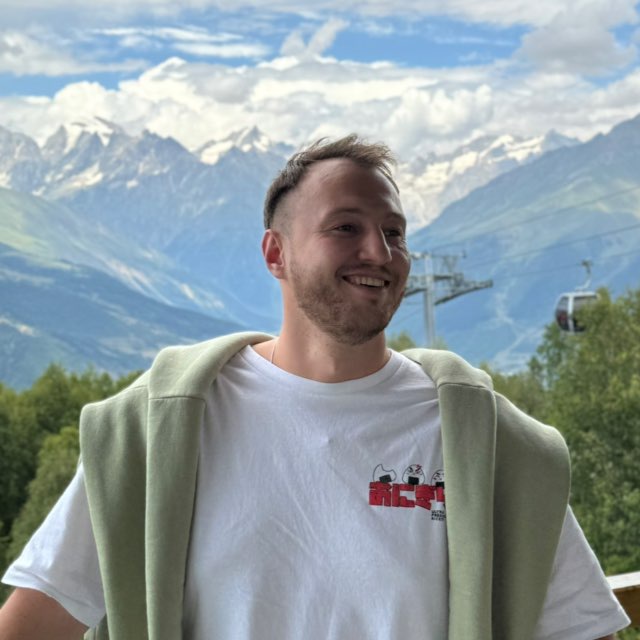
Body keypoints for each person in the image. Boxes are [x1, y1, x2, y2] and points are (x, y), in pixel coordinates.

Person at [0, 135, 630, 640]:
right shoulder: (159, 428)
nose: (380, 252)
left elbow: (581, 628)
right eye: (345, 227)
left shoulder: (484, 438)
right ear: (276, 254)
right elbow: (33, 625)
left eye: (395, 232)